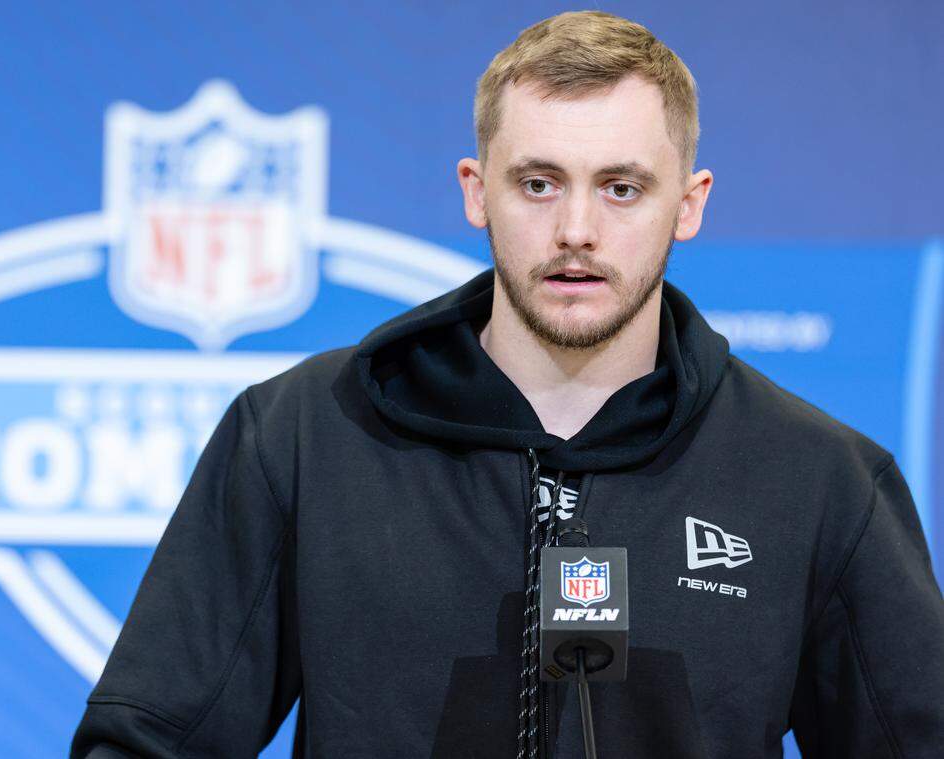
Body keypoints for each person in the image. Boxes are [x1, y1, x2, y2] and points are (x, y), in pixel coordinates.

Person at [71, 10, 944, 758]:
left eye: (621, 188)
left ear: (690, 202)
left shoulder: (819, 480)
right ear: (475, 190)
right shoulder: (304, 434)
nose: (576, 228)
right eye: (538, 183)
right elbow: (144, 740)